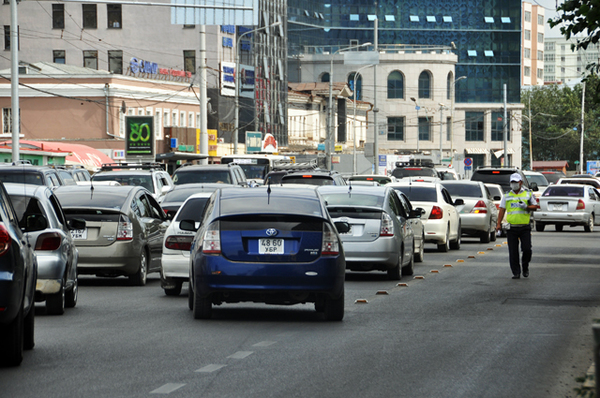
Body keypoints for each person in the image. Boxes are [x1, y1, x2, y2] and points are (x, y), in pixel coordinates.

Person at [496, 173, 538, 279]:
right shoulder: (507, 195)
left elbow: (535, 206)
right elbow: (502, 209)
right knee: (513, 252)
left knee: (527, 249)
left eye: (516, 182)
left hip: (524, 227)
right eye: (512, 182)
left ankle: (525, 266)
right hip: (512, 227)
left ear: (521, 182)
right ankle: (516, 272)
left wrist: (526, 207)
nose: (514, 184)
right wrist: (498, 224)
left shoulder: (528, 194)